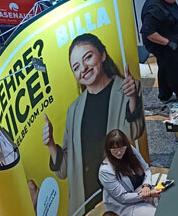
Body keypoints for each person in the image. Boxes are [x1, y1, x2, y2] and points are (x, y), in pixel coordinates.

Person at [42, 34, 144, 216]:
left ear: (102, 55)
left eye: (88, 57)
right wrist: (50, 144)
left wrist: (132, 100)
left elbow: (133, 133)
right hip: (86, 200)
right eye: (76, 67)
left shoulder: (127, 89)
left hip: (119, 190)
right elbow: (64, 170)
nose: (84, 68)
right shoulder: (74, 109)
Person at [140, 0, 178, 103]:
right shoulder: (153, 10)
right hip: (164, 45)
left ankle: (164, 95)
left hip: (174, 39)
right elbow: (149, 34)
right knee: (174, 71)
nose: (176, 0)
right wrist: (167, 43)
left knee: (164, 68)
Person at [99, 129, 159, 216]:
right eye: (114, 149)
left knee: (166, 195)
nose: (119, 152)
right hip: (126, 205)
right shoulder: (105, 170)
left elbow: (146, 169)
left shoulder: (129, 150)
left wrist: (146, 186)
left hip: (141, 191)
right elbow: (123, 198)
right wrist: (148, 194)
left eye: (122, 148)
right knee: (156, 213)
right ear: (108, 149)